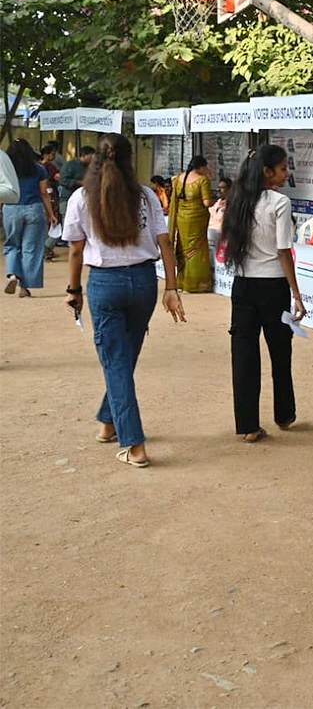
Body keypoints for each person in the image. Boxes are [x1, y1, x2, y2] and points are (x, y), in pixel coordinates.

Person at [62, 133, 186, 468]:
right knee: (124, 358)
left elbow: (75, 249)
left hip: (105, 284)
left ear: (95, 160)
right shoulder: (146, 196)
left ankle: (134, 444)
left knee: (117, 361)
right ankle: (107, 422)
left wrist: (73, 290)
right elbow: (165, 244)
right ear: (130, 160)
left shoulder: (81, 198)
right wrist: (171, 288)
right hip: (143, 283)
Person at [221, 145, 306, 442]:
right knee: (280, 351)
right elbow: (284, 251)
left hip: (243, 286)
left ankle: (248, 426)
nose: (287, 173)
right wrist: (296, 293)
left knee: (243, 355)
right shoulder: (279, 202)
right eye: (283, 168)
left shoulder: (237, 201)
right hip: (273, 286)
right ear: (268, 171)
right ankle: (284, 414)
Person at [3, 139, 58, 297]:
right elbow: (44, 193)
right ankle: (24, 287)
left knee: (12, 245)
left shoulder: (6, 170)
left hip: (11, 208)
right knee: (31, 249)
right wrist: (51, 214)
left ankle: (13, 274)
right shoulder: (39, 169)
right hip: (34, 209)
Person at [168, 156, 214, 293]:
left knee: (183, 247)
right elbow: (206, 203)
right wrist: (215, 201)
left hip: (181, 218)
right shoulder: (202, 180)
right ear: (201, 167)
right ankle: (195, 284)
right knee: (196, 250)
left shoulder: (179, 179)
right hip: (197, 220)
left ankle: (181, 282)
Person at [40, 141, 62, 259]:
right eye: (52, 154)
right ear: (47, 155)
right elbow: (57, 177)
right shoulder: (49, 167)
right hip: (50, 195)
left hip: (39, 197)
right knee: (54, 220)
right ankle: (46, 248)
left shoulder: (37, 166)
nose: (54, 157)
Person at [207, 176, 232, 252]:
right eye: (218, 187)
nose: (219, 190)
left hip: (223, 240)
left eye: (222, 188)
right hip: (210, 237)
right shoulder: (216, 203)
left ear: (229, 190)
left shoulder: (232, 205)